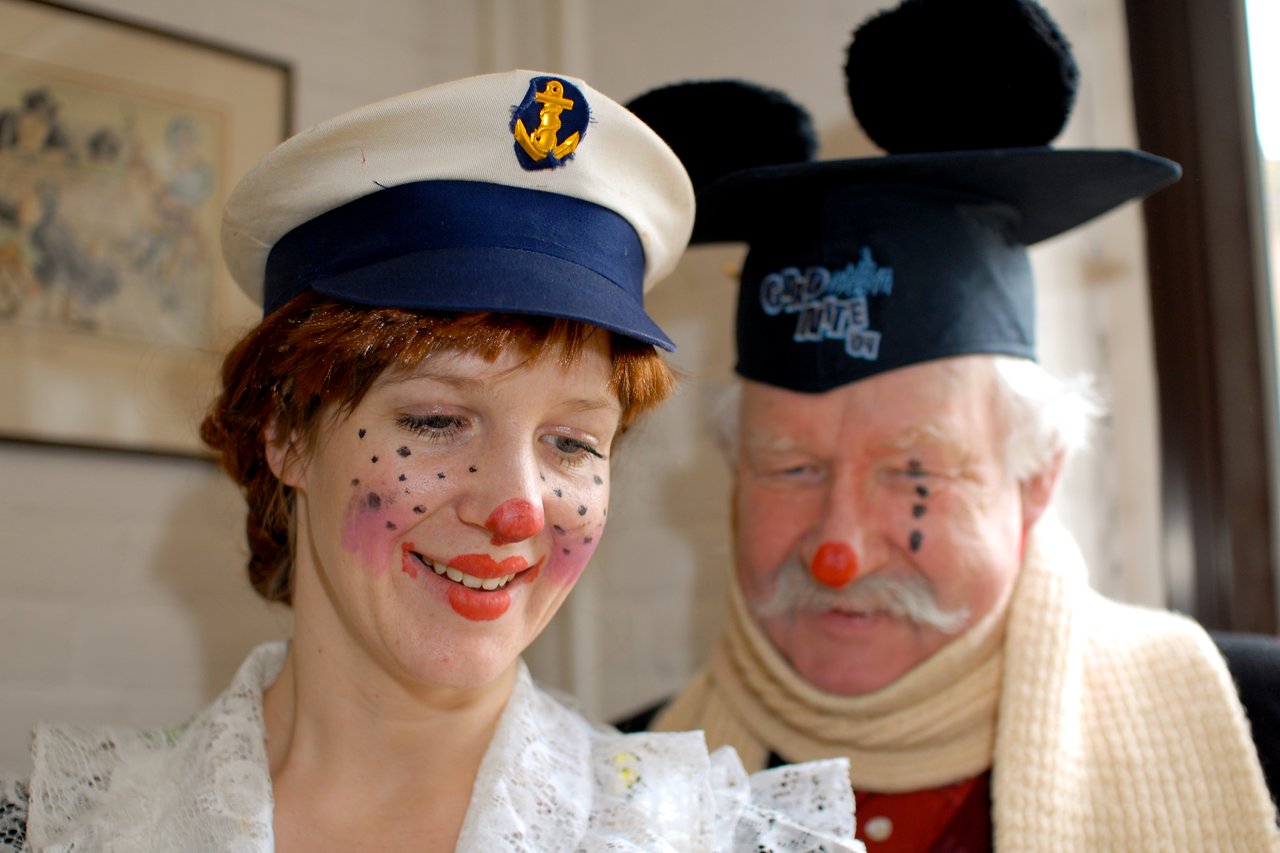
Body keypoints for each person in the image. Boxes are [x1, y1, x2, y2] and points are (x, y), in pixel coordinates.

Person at [0, 70, 861, 852]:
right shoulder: (75, 830)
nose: (519, 508)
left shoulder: (710, 838)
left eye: (571, 441)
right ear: (286, 432)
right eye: (441, 419)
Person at [618, 0, 1280, 849]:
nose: (839, 551)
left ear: (1036, 480)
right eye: (791, 468)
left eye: (914, 473)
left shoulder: (1259, 731)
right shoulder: (614, 785)